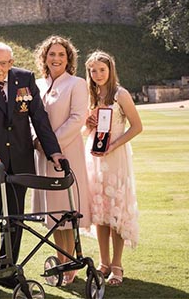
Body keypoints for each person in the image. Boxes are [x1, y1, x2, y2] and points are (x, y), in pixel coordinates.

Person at [0, 42, 64, 290]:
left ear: (11, 63)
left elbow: (39, 117)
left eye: (4, 63)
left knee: (15, 220)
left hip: (20, 163)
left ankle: (7, 268)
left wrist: (53, 151)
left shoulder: (25, 78)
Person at [30, 36, 90, 285]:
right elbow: (28, 118)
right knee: (53, 216)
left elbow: (77, 118)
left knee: (67, 210)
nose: (56, 58)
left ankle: (72, 263)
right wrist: (37, 142)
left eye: (61, 55)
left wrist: (51, 145)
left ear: (69, 59)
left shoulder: (77, 84)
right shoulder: (36, 84)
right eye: (51, 54)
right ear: (44, 57)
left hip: (66, 153)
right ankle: (61, 261)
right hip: (41, 156)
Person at [84, 51, 142, 286]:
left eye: (102, 70)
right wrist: (88, 125)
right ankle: (104, 262)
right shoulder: (91, 95)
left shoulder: (121, 94)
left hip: (115, 157)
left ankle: (117, 265)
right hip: (96, 158)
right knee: (100, 211)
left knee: (116, 209)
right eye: (93, 70)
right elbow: (87, 131)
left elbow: (137, 127)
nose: (98, 74)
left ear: (110, 70)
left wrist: (114, 146)